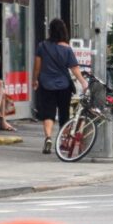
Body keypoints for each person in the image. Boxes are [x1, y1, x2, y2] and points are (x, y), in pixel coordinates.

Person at [33, 18, 88, 154]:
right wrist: (83, 82)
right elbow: (74, 68)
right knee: (64, 113)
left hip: (46, 84)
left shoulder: (42, 46)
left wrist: (35, 79)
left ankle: (48, 138)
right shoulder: (67, 49)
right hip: (64, 85)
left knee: (48, 113)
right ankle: (63, 140)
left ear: (50, 31)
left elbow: (37, 66)